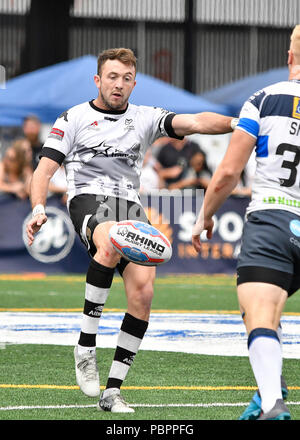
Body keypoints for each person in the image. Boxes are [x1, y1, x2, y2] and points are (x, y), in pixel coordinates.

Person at [26, 47, 237, 414]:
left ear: (134, 83)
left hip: (130, 205)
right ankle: (86, 346)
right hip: (89, 200)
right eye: (112, 77)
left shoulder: (146, 117)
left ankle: (113, 391)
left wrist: (239, 125)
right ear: (98, 80)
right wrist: (39, 207)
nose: (118, 84)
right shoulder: (73, 117)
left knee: (144, 293)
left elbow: (195, 122)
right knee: (108, 243)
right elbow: (43, 172)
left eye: (126, 79)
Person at [191, 26, 300, 420]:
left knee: (260, 312)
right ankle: (270, 391)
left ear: (289, 57)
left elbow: (227, 174)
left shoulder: (264, 99)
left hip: (272, 218)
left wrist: (205, 215)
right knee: (271, 312)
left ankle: (273, 404)